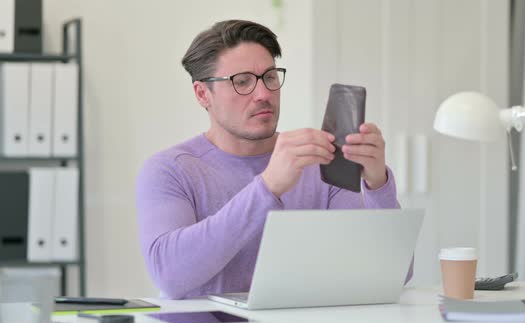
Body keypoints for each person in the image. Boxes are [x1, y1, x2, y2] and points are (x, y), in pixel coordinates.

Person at [136, 19, 401, 299]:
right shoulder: (169, 170)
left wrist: (377, 184)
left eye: (270, 77)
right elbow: (169, 275)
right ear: (203, 94)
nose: (263, 94)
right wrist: (267, 187)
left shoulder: (317, 161)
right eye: (242, 82)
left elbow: (391, 274)